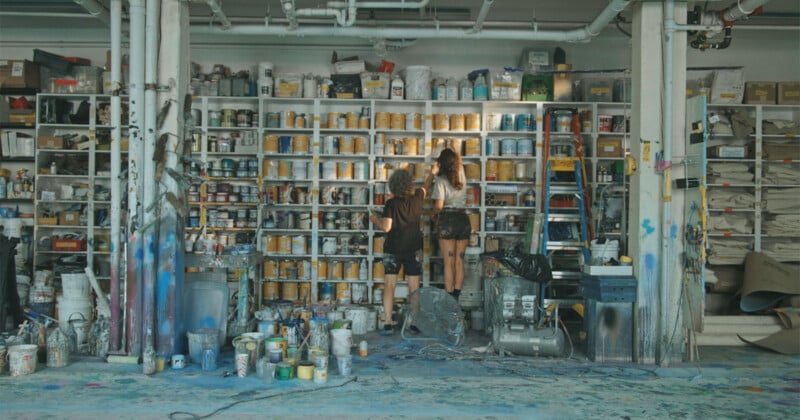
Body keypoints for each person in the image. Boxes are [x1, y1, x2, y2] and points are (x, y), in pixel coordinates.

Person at [369, 167, 436, 336]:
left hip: (393, 249)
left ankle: (388, 324)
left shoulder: (391, 203)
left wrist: (374, 218)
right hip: (414, 249)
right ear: (409, 184)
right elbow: (426, 185)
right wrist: (433, 171)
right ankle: (414, 324)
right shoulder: (418, 199)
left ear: (393, 185)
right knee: (414, 287)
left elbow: (386, 227)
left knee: (389, 285)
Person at [430, 147, 471, 301]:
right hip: (462, 219)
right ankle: (457, 296)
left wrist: (433, 214)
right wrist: (455, 146)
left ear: (441, 163)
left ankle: (449, 298)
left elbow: (439, 207)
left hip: (447, 220)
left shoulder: (440, 180)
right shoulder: (461, 174)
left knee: (449, 261)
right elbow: (458, 160)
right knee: (459, 260)